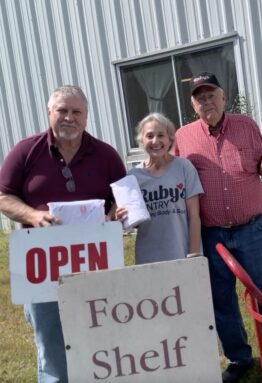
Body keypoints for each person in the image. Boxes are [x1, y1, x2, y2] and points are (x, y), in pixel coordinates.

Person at [0, 85, 126, 382]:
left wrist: (113, 215)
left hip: (94, 262)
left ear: (86, 117)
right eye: (62, 111)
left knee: (99, 335)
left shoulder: (105, 154)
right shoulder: (25, 151)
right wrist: (32, 214)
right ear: (49, 114)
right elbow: (3, 196)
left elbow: (124, 196)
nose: (69, 118)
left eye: (76, 112)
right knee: (52, 346)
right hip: (42, 264)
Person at [175, 72, 262, 383]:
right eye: (200, 96)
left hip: (252, 229)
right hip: (213, 235)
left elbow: (261, 166)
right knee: (221, 300)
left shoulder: (245, 126)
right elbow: (176, 180)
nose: (206, 100)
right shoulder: (182, 137)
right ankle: (239, 357)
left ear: (223, 97)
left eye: (211, 94)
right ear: (193, 104)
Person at [115, 112, 203, 263]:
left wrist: (194, 255)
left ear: (170, 139)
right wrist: (121, 218)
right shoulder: (133, 177)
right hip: (148, 258)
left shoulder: (184, 167)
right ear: (141, 141)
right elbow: (130, 224)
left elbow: (194, 216)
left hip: (182, 254)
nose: (155, 141)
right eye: (149, 136)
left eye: (161, 135)